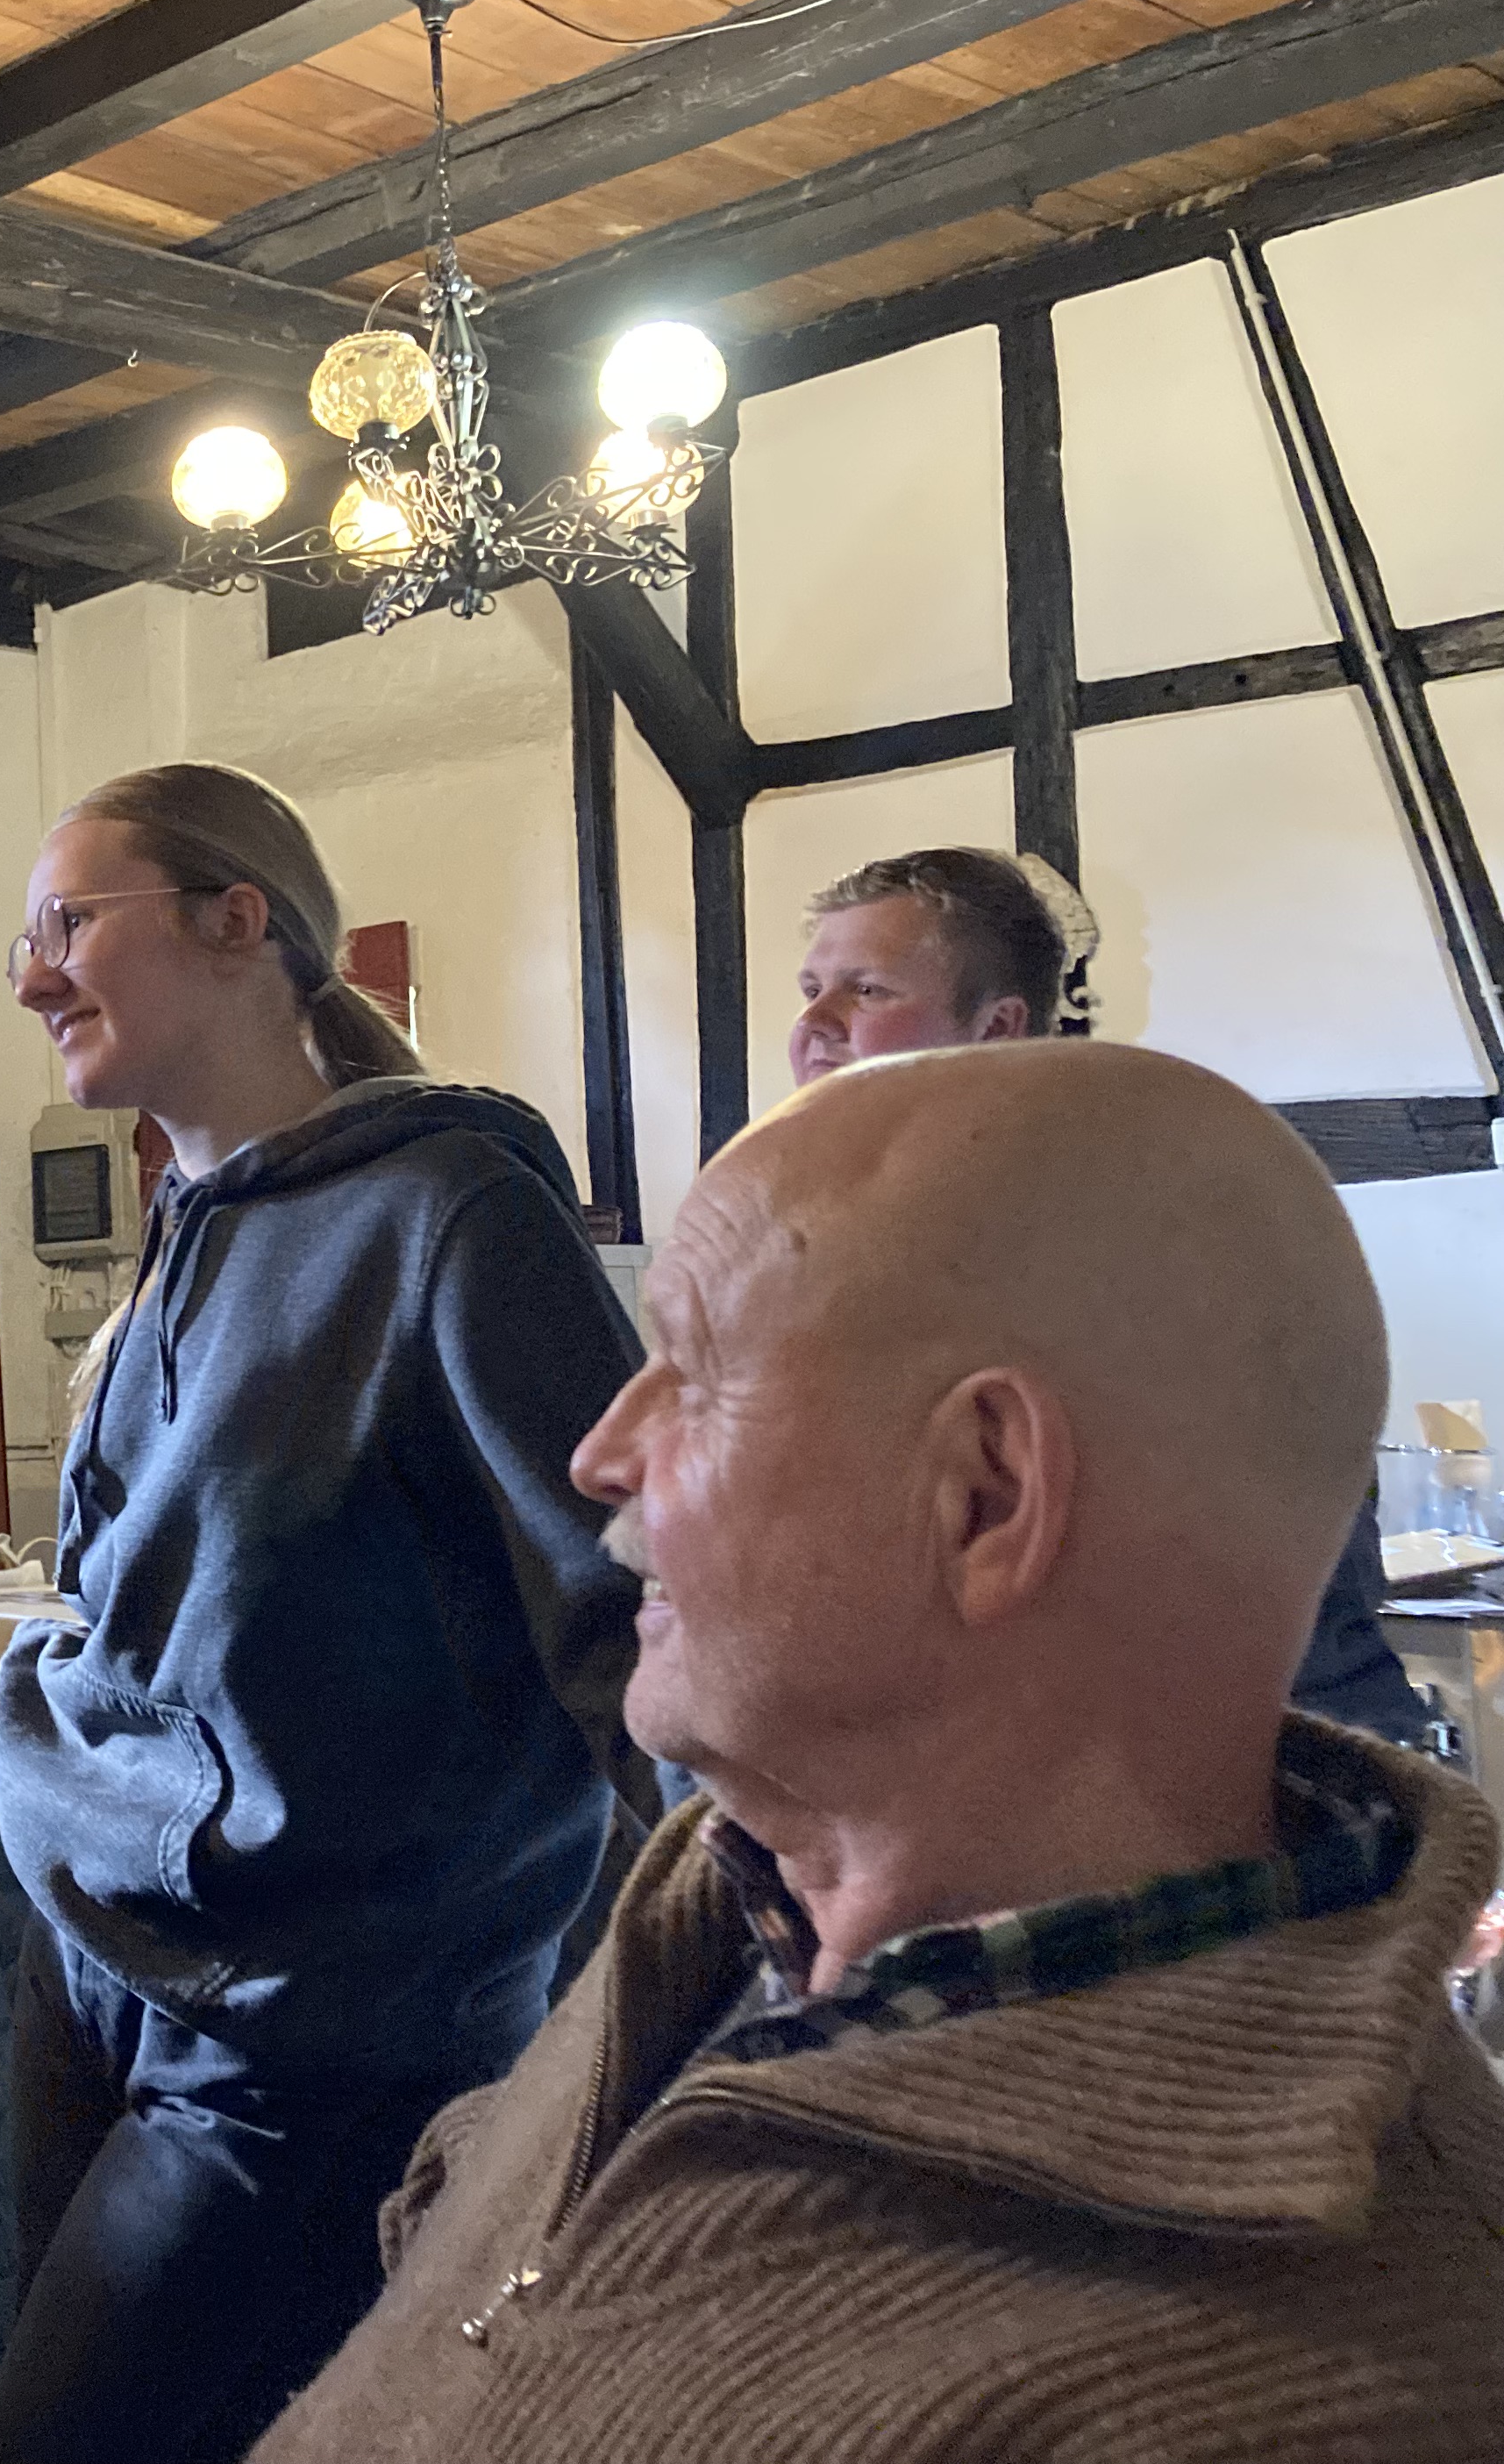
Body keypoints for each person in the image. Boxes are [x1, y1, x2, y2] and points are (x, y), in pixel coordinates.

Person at [257, 1039, 1504, 2464]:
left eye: (693, 1371)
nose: (598, 1453)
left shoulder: (1308, 2399)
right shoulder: (732, 1898)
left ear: (984, 1495)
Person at [0, 762, 654, 2464]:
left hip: (309, 2042)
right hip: (97, 1967)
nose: (33, 975)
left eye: (68, 922)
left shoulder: (452, 1212)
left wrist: (773, 1964)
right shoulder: (179, 1232)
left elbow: (637, 1616)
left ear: (237, 921)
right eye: (23, 939)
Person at [792, 846, 1426, 1742]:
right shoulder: (839, 1244)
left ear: (997, 1027)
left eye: (866, 990)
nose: (815, 1023)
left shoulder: (1158, 1232)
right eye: (810, 988)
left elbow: (1289, 1590)